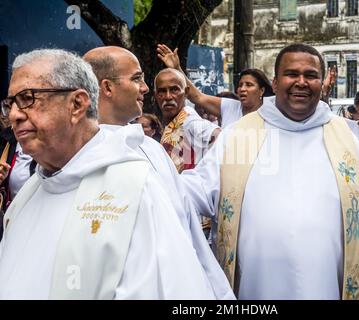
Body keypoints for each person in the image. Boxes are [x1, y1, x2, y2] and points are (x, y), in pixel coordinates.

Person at [181, 43, 359, 299]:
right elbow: (197, 190)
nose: (301, 82)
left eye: (310, 75)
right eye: (292, 74)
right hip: (255, 290)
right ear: (275, 83)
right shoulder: (240, 135)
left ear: (322, 84)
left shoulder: (344, 138)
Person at [0, 48, 218, 299]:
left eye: (28, 98)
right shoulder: (28, 194)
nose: (15, 115)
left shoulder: (135, 189)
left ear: (77, 104)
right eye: (11, 103)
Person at [83, 46, 233, 299]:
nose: (144, 89)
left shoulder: (152, 147)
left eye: (174, 89)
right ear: (106, 88)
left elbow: (188, 229)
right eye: (136, 79)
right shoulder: (77, 156)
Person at [157, 44, 274, 128]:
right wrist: (177, 69)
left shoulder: (271, 114)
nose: (242, 89)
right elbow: (198, 97)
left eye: (249, 85)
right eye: (240, 85)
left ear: (261, 90)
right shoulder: (230, 107)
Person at [155, 68, 220, 173]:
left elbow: (221, 138)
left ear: (186, 92)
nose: (168, 96)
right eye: (162, 91)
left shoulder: (190, 122)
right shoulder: (174, 124)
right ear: (156, 95)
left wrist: (204, 177)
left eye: (174, 90)